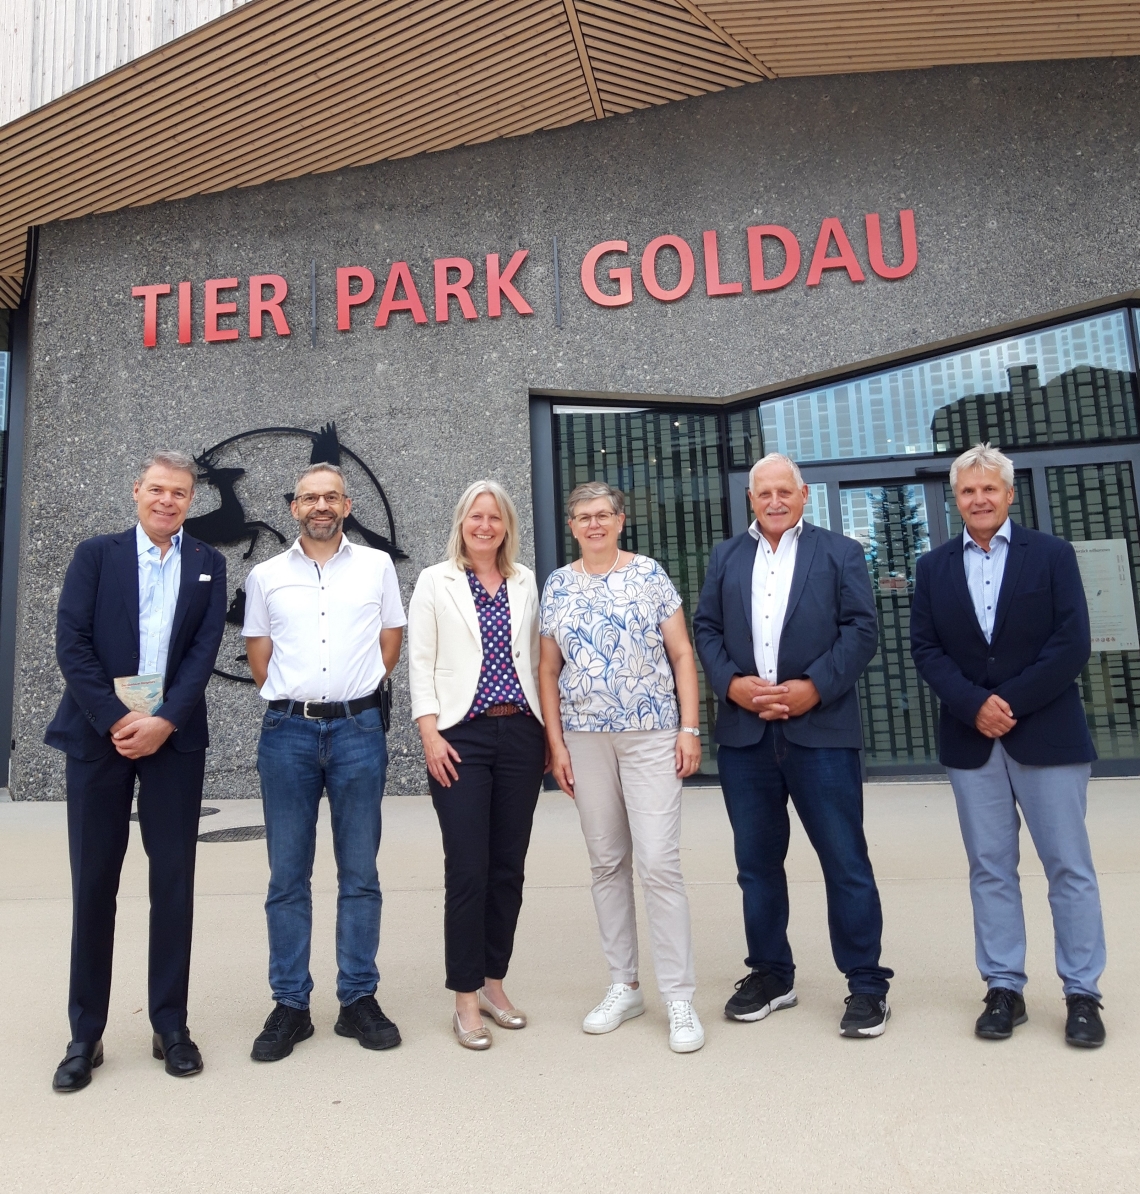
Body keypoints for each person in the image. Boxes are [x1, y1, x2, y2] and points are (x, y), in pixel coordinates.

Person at [911, 443, 1106, 1047]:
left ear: (1009, 494)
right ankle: (1004, 989)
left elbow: (1071, 642)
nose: (979, 499)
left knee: (1068, 869)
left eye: (989, 489)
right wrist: (974, 705)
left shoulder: (1050, 556)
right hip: (973, 742)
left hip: (1045, 734)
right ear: (956, 498)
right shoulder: (933, 566)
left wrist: (1010, 703)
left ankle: (1082, 994)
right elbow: (927, 649)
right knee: (990, 869)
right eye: (968, 491)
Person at [693, 452, 891, 1038]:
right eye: (763, 494)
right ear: (751, 501)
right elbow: (705, 628)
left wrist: (813, 689)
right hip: (747, 735)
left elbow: (862, 630)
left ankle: (866, 985)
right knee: (756, 865)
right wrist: (731, 684)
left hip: (820, 731)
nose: (774, 501)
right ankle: (772, 974)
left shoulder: (841, 552)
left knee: (845, 860)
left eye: (785, 491)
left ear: (803, 495)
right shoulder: (727, 556)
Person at [46, 451, 227, 1092]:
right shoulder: (97, 555)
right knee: (94, 885)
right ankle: (84, 1034)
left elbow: (204, 652)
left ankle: (169, 1026)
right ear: (137, 492)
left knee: (173, 885)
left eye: (179, 493)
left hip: (173, 743)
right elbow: (71, 640)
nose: (167, 501)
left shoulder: (208, 564)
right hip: (101, 740)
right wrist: (117, 719)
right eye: (157, 490)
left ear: (190, 499)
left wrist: (165, 721)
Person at [241, 462, 406, 1061]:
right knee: (288, 876)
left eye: (330, 497)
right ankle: (290, 1004)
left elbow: (391, 640)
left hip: (359, 730)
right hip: (288, 731)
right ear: (294, 507)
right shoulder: (265, 576)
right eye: (309, 497)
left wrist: (354, 692)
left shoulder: (377, 566)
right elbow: (260, 658)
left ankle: (358, 997)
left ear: (347, 503)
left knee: (359, 872)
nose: (320, 506)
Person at [539, 481, 705, 1054]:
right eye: (582, 516)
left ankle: (679, 998)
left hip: (653, 735)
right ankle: (625, 985)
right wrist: (556, 745)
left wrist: (689, 727)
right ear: (572, 525)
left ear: (620, 519)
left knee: (659, 861)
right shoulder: (558, 584)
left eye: (602, 515)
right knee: (607, 862)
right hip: (585, 740)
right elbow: (547, 670)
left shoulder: (650, 575)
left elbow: (682, 652)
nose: (593, 524)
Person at [408, 481, 546, 1050]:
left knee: (507, 867)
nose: (485, 526)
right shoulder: (434, 581)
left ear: (507, 526)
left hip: (521, 732)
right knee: (468, 868)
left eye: (495, 518)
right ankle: (464, 997)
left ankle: (494, 982)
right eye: (475, 517)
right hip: (460, 736)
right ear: (461, 523)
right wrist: (430, 735)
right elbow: (419, 661)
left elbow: (539, 657)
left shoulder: (525, 580)